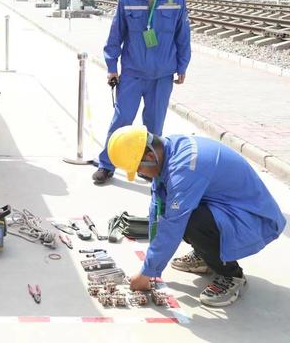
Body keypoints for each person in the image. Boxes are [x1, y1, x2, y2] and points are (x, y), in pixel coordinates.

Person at [107, 125, 286, 307]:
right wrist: (150, 263)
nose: (140, 174)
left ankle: (231, 275)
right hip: (227, 208)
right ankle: (206, 255)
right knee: (179, 211)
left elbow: (172, 224)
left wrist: (147, 272)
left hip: (253, 219)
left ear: (150, 156)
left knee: (190, 220)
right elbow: (158, 207)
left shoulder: (185, 168)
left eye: (138, 169)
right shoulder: (169, 151)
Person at [92, 0, 191, 185]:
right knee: (122, 119)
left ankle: (149, 168)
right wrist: (112, 67)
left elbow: (183, 35)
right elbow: (116, 36)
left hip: (163, 74)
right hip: (134, 73)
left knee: (155, 123)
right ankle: (107, 164)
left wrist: (182, 65)